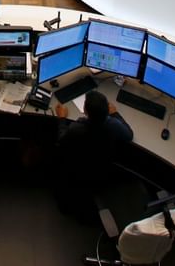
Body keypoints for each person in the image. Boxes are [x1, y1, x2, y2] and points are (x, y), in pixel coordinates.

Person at [53, 90, 133, 220]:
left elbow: (61, 140)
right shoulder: (113, 125)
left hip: (76, 171)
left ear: (85, 110)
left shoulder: (76, 128)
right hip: (100, 171)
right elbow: (129, 135)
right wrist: (115, 114)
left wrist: (62, 118)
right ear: (107, 109)